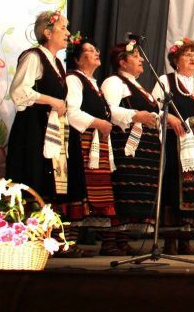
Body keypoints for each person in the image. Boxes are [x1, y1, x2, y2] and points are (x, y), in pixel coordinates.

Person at [6, 11, 87, 231]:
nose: (68, 33)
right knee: (33, 176)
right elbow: (19, 91)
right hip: (33, 128)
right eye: (63, 28)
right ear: (47, 33)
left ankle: (48, 235)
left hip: (49, 128)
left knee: (49, 181)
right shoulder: (34, 57)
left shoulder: (57, 63)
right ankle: (28, 234)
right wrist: (52, 101)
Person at [102, 40, 163, 255]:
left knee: (135, 192)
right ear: (122, 61)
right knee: (122, 189)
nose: (141, 60)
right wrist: (136, 115)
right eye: (135, 56)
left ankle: (123, 239)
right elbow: (108, 110)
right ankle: (109, 241)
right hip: (125, 146)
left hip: (144, 150)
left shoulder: (139, 86)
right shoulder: (114, 82)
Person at [153, 38, 194, 256]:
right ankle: (169, 241)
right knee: (173, 188)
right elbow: (154, 108)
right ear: (176, 60)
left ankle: (185, 240)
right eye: (187, 55)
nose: (192, 59)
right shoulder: (165, 81)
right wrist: (168, 117)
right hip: (174, 143)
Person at [63, 35, 120, 256]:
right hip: (80, 143)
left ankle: (100, 243)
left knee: (97, 193)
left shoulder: (93, 83)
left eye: (96, 49)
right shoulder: (73, 79)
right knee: (78, 191)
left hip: (95, 144)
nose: (96, 52)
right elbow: (71, 112)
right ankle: (67, 244)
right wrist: (99, 123)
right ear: (78, 59)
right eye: (90, 50)